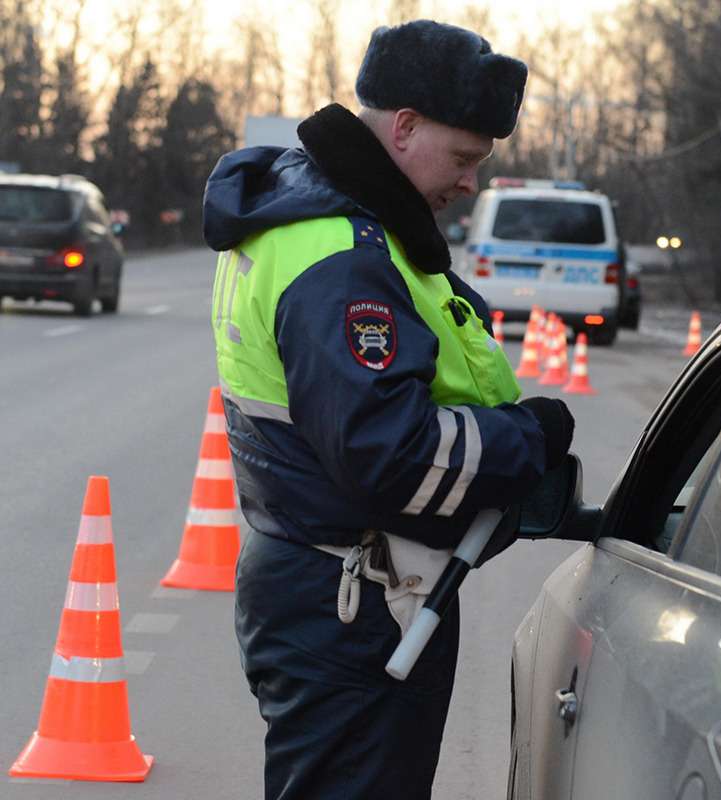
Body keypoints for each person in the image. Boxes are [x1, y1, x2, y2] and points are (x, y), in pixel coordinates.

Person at [202, 20, 575, 799]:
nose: (470, 183)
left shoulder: (331, 226)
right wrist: (524, 438)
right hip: (355, 605)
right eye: (465, 157)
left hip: (336, 590)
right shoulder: (342, 255)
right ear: (403, 127)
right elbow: (393, 455)